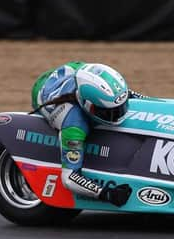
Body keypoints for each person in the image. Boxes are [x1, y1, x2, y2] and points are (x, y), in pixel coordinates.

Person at [31, 61, 141, 206]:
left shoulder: (86, 74)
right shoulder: (73, 124)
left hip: (73, 68)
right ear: (89, 107)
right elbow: (69, 178)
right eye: (110, 112)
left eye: (122, 106)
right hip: (41, 90)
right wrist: (105, 193)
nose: (119, 115)